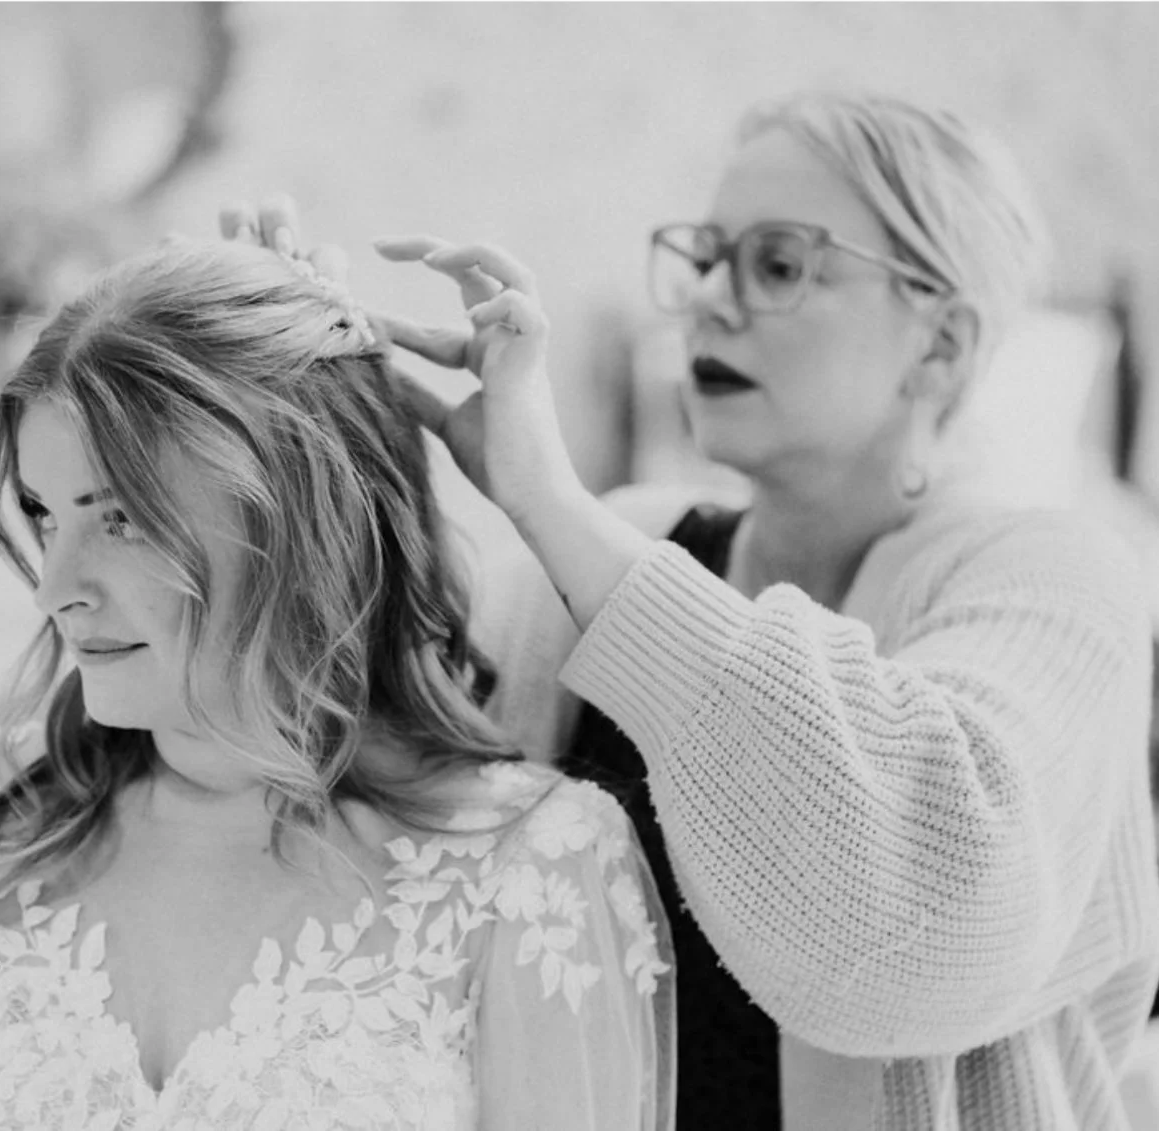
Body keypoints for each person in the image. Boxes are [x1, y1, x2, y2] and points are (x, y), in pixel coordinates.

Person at [232, 89, 1159, 1128]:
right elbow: (370, 799)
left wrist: (549, 501)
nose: (708, 303)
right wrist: (291, 417)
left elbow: (926, 909)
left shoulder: (1062, 580)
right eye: (707, 259)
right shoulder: (603, 558)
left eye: (777, 265)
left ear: (940, 344)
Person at [0, 239, 675, 1131]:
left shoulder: (527, 869)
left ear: (301, 523)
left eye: (123, 519)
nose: (57, 588)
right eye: (43, 515)